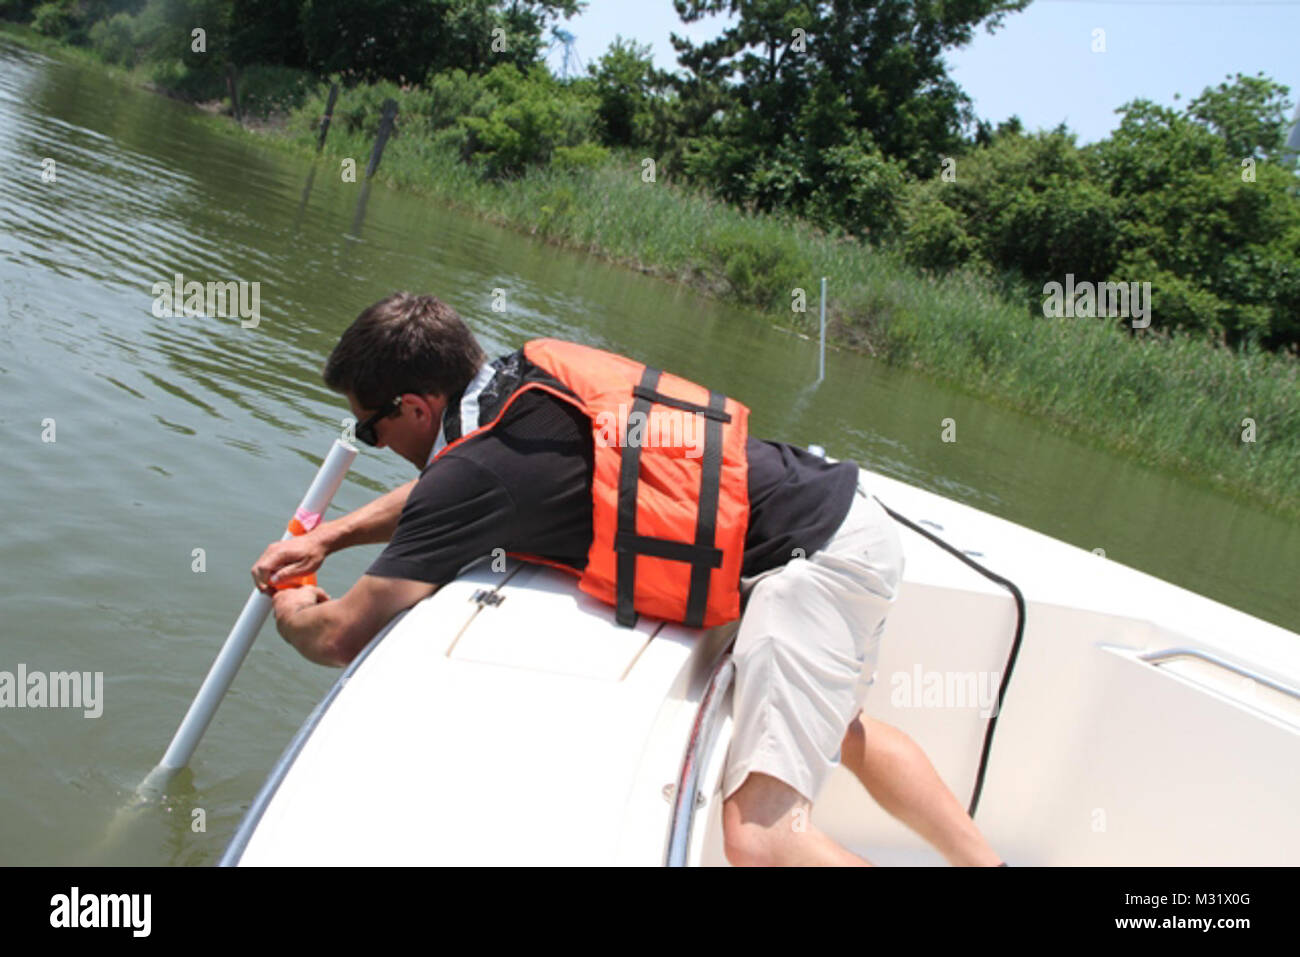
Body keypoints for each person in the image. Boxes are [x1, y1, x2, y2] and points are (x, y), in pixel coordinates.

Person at [252, 291, 1004, 867]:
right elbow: (456, 486)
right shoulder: (523, 384)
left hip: (811, 562)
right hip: (837, 510)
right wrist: (337, 533)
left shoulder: (476, 474)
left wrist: (289, 595)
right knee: (847, 726)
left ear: (415, 406)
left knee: (763, 838)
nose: (371, 443)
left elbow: (342, 634)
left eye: (370, 427)